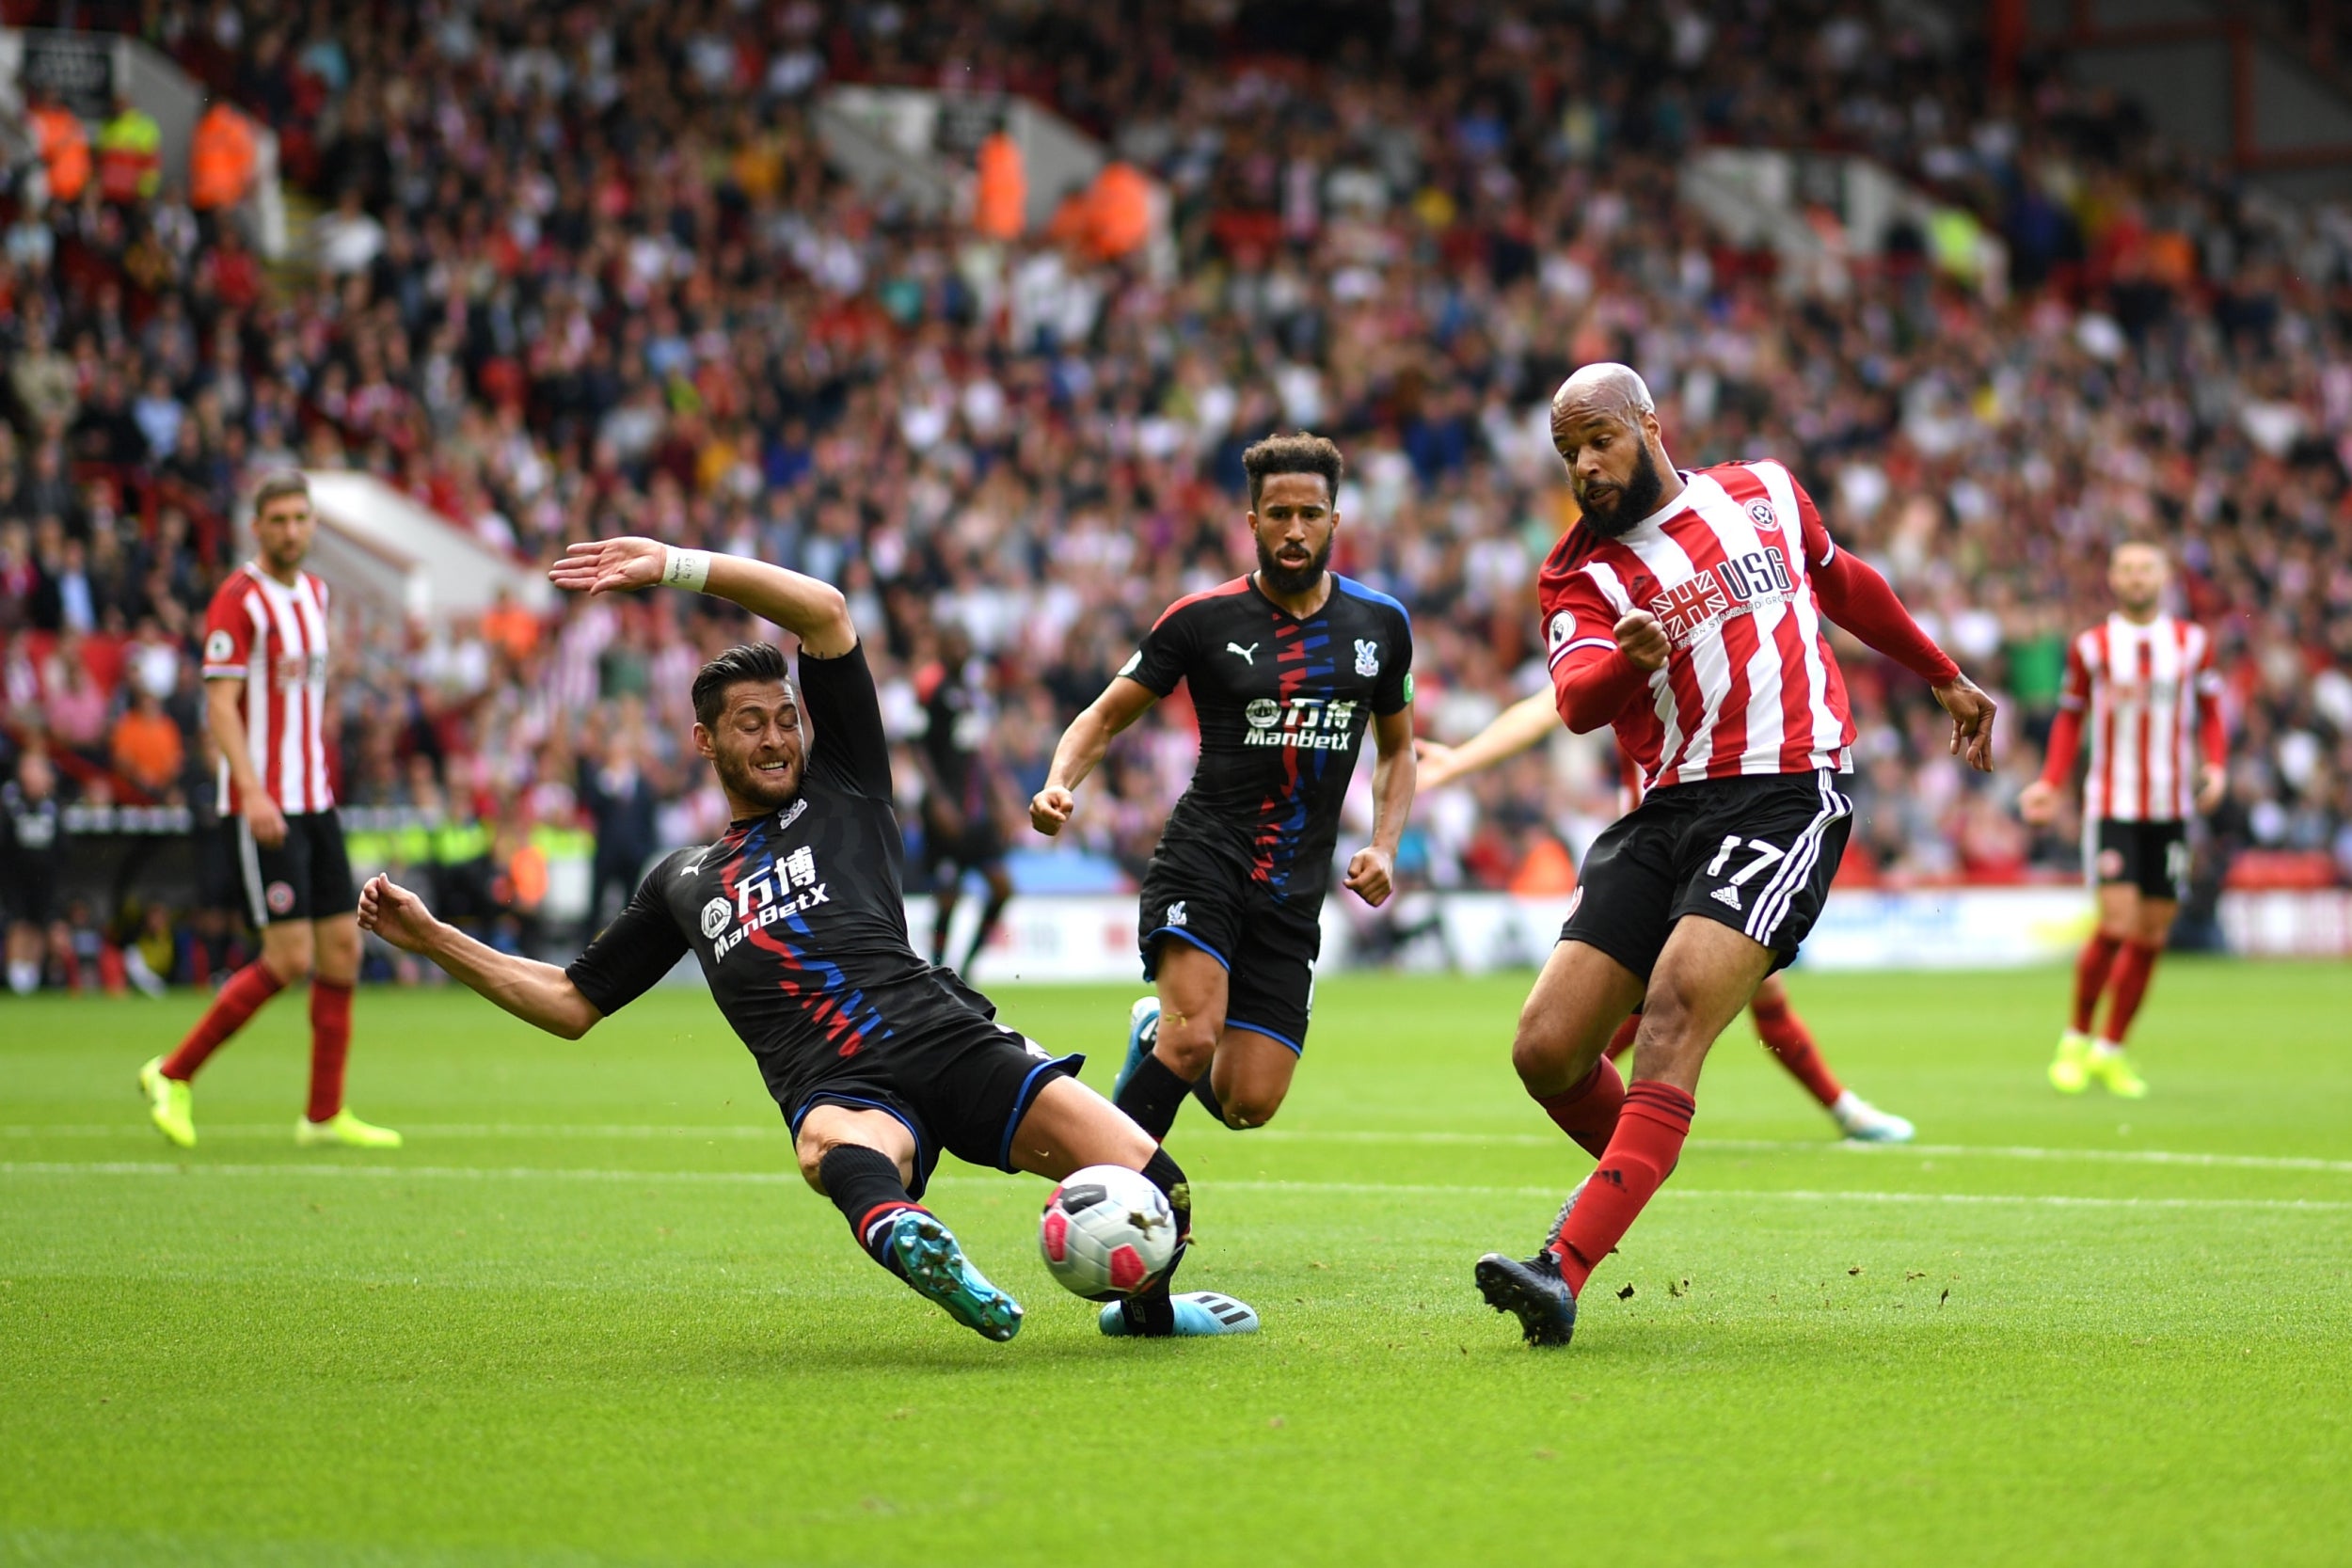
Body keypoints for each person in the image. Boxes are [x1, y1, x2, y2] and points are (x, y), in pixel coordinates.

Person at [360, 536, 1257, 1342]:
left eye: (785, 717)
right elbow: (569, 1001)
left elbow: (825, 612)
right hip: (840, 1086)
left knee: (1165, 1197)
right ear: (704, 740)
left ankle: (1144, 1314)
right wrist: (434, 937)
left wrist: (676, 565)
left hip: (944, 1036)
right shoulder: (682, 880)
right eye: (750, 723)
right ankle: (910, 1235)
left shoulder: (844, 785)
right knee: (828, 1147)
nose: (776, 737)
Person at [1471, 365, 1995, 1349]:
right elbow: (1577, 700)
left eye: (1598, 440)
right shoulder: (1577, 573)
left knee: (1672, 1013)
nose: (1584, 466)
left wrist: (1943, 673)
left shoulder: (1764, 491)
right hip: (1666, 807)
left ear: (1648, 423)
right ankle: (1638, 1161)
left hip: (1785, 788)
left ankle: (1564, 1264)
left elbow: (1844, 582)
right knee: (1544, 1046)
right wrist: (1625, 662)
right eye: (1567, 451)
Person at [1031, 433, 1417, 1141]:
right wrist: (1059, 782)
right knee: (1192, 1040)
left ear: (1335, 520)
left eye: (1309, 514)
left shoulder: (1381, 624)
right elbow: (1104, 716)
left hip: (1295, 882)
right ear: (1252, 523)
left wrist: (1385, 845)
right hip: (1206, 854)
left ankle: (1149, 1034)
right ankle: (1113, 1181)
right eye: (1278, 514)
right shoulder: (1202, 618)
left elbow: (1397, 749)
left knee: (1248, 1102)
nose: (1294, 530)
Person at [1415, 690, 1914, 1142]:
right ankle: (1614, 1119)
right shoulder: (1633, 654)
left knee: (1709, 997)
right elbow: (1545, 708)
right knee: (1669, 1003)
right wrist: (1460, 760)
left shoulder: (1711, 652)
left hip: (1710, 839)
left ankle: (1603, 1109)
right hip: (1658, 853)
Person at [137, 471, 400, 1150]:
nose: (290, 530)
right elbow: (220, 706)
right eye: (277, 519)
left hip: (316, 799)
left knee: (341, 949)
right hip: (265, 803)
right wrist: (252, 790)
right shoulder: (238, 599)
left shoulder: (315, 593)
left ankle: (323, 1115)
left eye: (299, 518)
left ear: (313, 524)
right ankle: (172, 1073)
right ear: (256, 527)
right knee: (287, 958)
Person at [2019, 542, 2225, 1099]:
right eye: (2127, 569)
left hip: (2171, 807)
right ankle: (2075, 1039)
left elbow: (2211, 712)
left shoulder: (2192, 644)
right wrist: (2050, 782)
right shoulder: (2092, 646)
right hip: (2112, 804)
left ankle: (2110, 1050)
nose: (2137, 578)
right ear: (2112, 578)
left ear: (2164, 576)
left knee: (2152, 934)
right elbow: (2070, 718)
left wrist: (2216, 766)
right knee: (2116, 923)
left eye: (2146, 569)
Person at [914, 619, 1015, 975]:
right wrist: (938, 799)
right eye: (953, 642)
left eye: (964, 643)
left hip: (975, 812)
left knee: (1002, 888)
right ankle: (939, 970)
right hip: (945, 809)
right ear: (941, 647)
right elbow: (918, 745)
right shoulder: (931, 686)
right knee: (948, 895)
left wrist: (1000, 802)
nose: (959, 649)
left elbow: (980, 754)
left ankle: (968, 966)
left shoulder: (972, 693)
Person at [2, 748, 65, 995]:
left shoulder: (53, 803)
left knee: (40, 922)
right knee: (18, 922)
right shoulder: (10, 800)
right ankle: (16, 971)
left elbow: (62, 842)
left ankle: (32, 972)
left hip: (45, 875)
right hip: (15, 874)